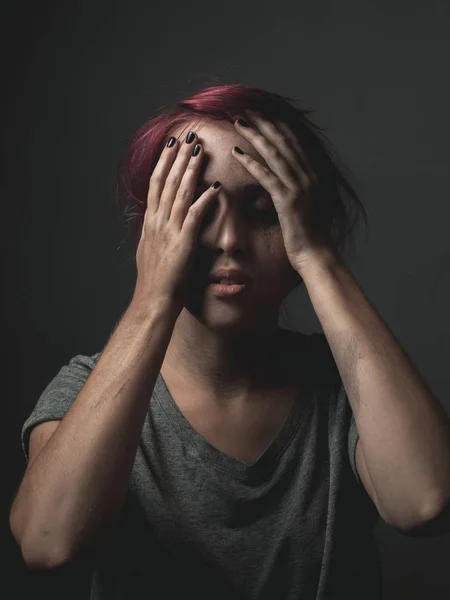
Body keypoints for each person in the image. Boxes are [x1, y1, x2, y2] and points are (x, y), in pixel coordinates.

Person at [10, 83, 382, 599]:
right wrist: (152, 295)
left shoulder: (349, 386)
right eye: (198, 209)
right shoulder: (83, 389)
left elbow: (426, 501)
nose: (229, 240)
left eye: (265, 210)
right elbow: (48, 544)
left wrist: (317, 256)